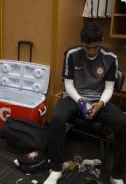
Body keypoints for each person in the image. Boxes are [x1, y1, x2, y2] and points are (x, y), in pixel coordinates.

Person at [44, 22, 126, 184]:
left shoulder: (111, 58)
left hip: (98, 99)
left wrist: (101, 103)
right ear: (82, 42)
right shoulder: (71, 54)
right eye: (87, 47)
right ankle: (55, 169)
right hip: (74, 97)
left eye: (94, 47)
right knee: (57, 117)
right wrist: (81, 101)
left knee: (123, 123)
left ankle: (116, 174)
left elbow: (109, 88)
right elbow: (68, 84)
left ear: (101, 42)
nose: (90, 51)